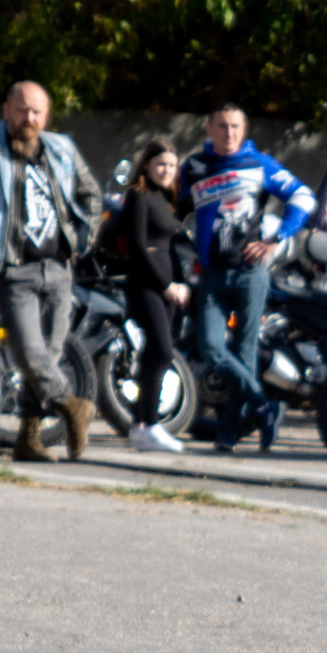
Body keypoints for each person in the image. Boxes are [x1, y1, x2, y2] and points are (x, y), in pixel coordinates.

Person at [0, 81, 101, 462]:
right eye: (23, 110)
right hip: (11, 269)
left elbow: (90, 194)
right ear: (6, 109)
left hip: (58, 267)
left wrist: (84, 238)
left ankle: (29, 437)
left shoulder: (61, 149)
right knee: (29, 354)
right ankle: (74, 405)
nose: (30, 119)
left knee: (49, 357)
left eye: (38, 112)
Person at [182, 103, 315, 453]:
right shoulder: (194, 168)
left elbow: (303, 197)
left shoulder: (260, 164)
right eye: (222, 126)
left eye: (236, 126)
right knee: (212, 348)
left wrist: (277, 239)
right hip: (211, 274)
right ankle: (263, 405)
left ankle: (228, 433)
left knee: (245, 351)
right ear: (208, 128)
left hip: (250, 273)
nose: (230, 133)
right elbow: (174, 210)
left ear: (245, 129)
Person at [119, 139, 192, 453]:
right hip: (148, 285)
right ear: (146, 165)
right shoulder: (139, 196)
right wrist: (166, 285)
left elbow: (171, 246)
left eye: (172, 166)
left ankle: (140, 426)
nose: (167, 170)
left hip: (169, 287)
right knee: (162, 351)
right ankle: (149, 424)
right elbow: (137, 246)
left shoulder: (167, 198)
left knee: (156, 354)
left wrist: (182, 283)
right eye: (161, 164)